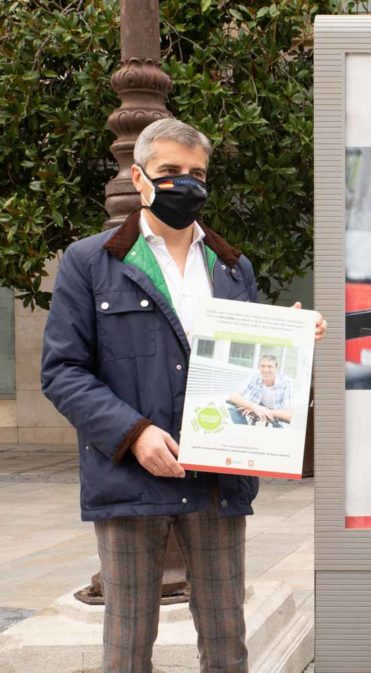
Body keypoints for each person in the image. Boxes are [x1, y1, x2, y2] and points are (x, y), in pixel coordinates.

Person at [40, 118, 327, 673]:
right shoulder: (91, 262)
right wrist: (134, 434)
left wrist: (287, 337)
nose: (186, 182)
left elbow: (246, 365)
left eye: (197, 173)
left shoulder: (232, 266)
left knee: (226, 641)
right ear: (140, 177)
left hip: (217, 481)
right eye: (171, 170)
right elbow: (63, 371)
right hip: (131, 479)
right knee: (127, 645)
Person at [227, 353, 294, 427]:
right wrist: (255, 407)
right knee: (233, 408)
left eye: (270, 366)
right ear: (259, 367)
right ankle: (245, 432)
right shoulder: (254, 377)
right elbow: (233, 396)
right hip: (257, 406)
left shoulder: (285, 381)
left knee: (278, 431)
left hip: (276, 411)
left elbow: (288, 414)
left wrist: (265, 411)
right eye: (263, 366)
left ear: (276, 367)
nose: (266, 370)